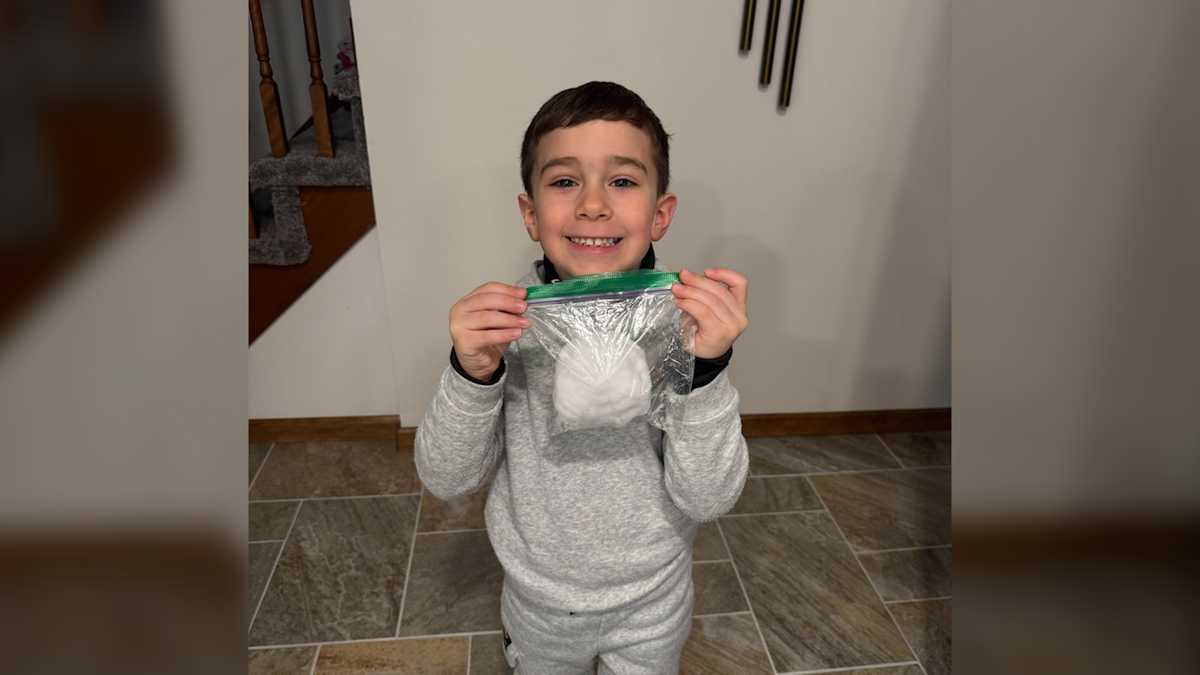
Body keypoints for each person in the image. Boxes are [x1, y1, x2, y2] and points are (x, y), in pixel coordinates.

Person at [415, 81, 750, 674]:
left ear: (660, 213)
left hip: (653, 596)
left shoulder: (681, 328)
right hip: (539, 598)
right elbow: (447, 478)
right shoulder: (507, 330)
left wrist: (708, 372)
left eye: (622, 181)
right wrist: (471, 374)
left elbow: (710, 496)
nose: (592, 204)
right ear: (530, 212)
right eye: (565, 181)